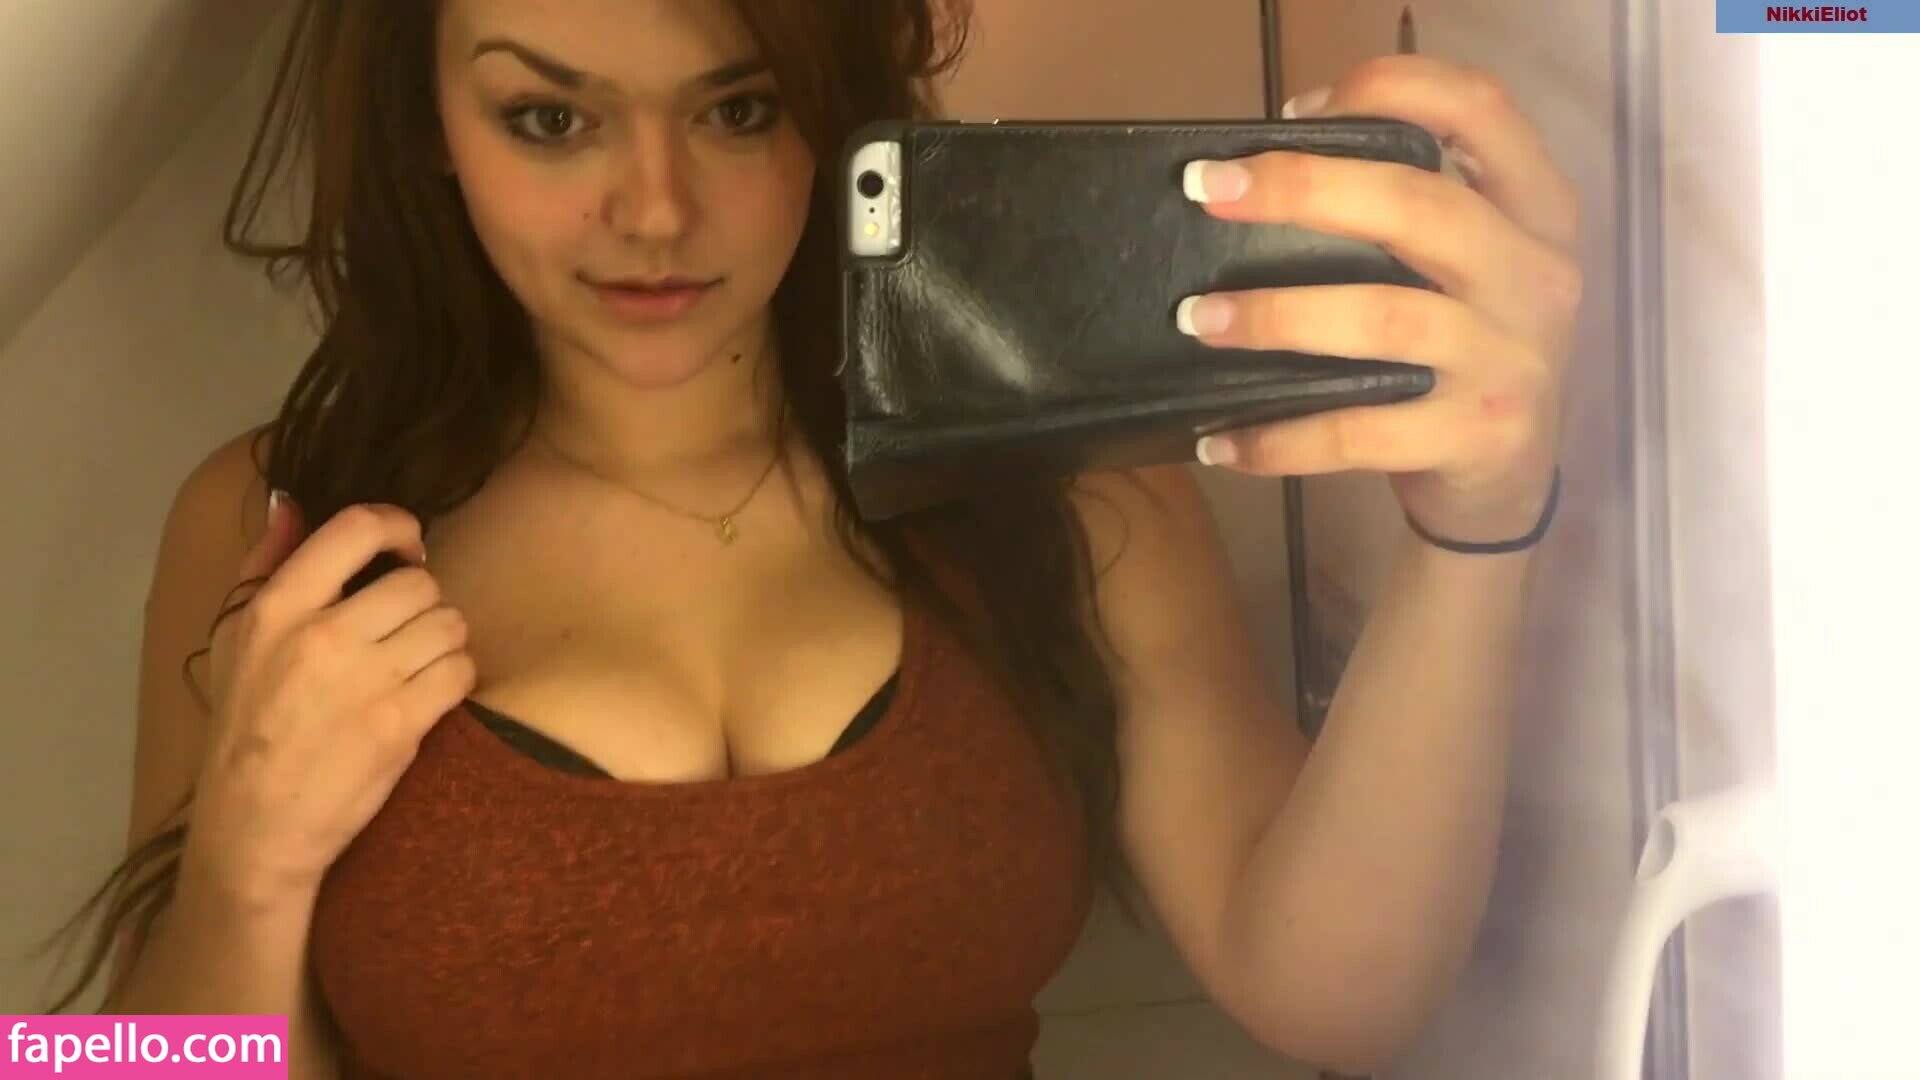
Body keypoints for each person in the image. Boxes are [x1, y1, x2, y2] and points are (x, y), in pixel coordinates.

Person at [42, 0, 1583, 1076]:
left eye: (738, 106)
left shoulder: (1053, 481)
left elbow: (1337, 997)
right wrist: (245, 864)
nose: (655, 211)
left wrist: (1477, 539)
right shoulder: (273, 522)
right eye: (550, 118)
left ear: (833, 100)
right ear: (431, 122)